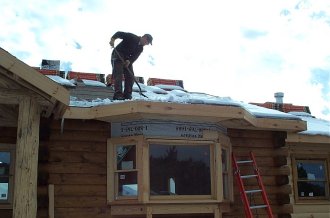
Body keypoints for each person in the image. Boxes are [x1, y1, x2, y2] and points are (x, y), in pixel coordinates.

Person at [109, 31, 153, 100]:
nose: (146, 44)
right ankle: (118, 94)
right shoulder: (132, 37)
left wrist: (129, 61)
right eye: (147, 42)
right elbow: (119, 33)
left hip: (127, 59)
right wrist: (112, 39)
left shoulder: (140, 48)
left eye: (148, 43)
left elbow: (134, 57)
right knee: (118, 73)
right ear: (144, 37)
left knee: (130, 76)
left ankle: (127, 94)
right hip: (118, 54)